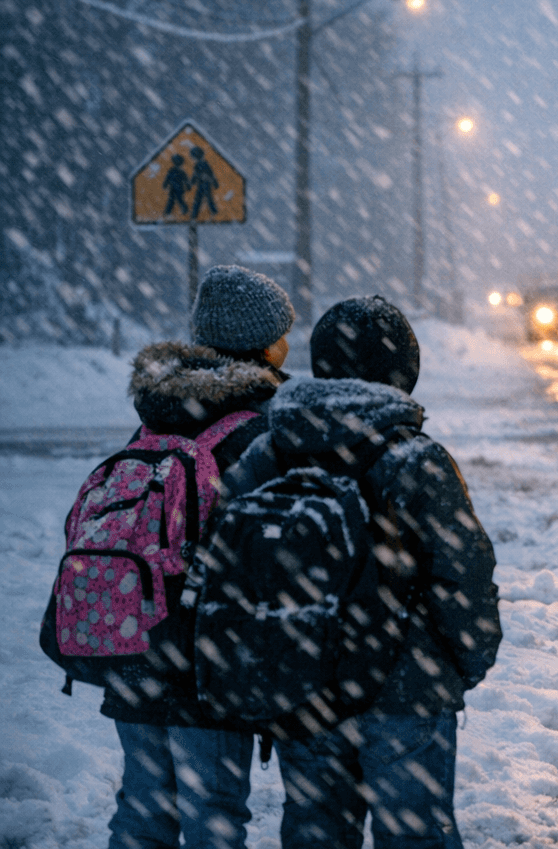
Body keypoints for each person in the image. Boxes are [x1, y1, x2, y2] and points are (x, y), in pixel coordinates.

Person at [222, 295, 501, 848]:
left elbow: (230, 560)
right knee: (415, 835)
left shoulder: (268, 451)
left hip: (303, 678)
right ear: (404, 372)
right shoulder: (415, 458)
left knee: (317, 832)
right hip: (406, 685)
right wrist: (461, 664)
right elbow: (462, 572)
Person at [107, 265, 294, 849]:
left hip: (133, 644)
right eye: (283, 330)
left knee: (142, 809)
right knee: (212, 813)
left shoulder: (157, 413)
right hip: (204, 661)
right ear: (265, 343)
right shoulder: (258, 431)